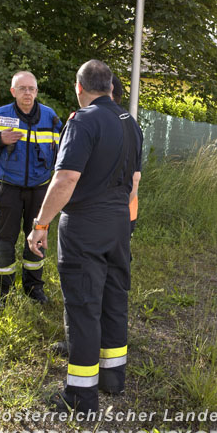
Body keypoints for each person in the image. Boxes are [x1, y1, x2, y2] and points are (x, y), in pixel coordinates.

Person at [27, 60, 142, 412]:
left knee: (82, 306)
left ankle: (80, 395)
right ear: (110, 86)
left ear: (80, 89)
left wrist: (41, 223)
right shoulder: (130, 124)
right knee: (113, 299)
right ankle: (113, 378)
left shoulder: (83, 121)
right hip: (119, 221)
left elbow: (65, 180)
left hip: (85, 224)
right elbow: (135, 181)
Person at [0, 71, 62, 304]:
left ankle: (33, 288)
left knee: (37, 239)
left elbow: (63, 149)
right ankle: (2, 290)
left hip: (40, 189)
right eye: (22, 88)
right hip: (10, 188)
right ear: (13, 91)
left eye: (32, 89)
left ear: (37, 92)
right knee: (4, 239)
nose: (28, 93)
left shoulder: (51, 117)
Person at [111, 75, 142, 235]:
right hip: (127, 211)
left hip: (102, 215)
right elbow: (135, 178)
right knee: (120, 258)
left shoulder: (92, 122)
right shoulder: (133, 126)